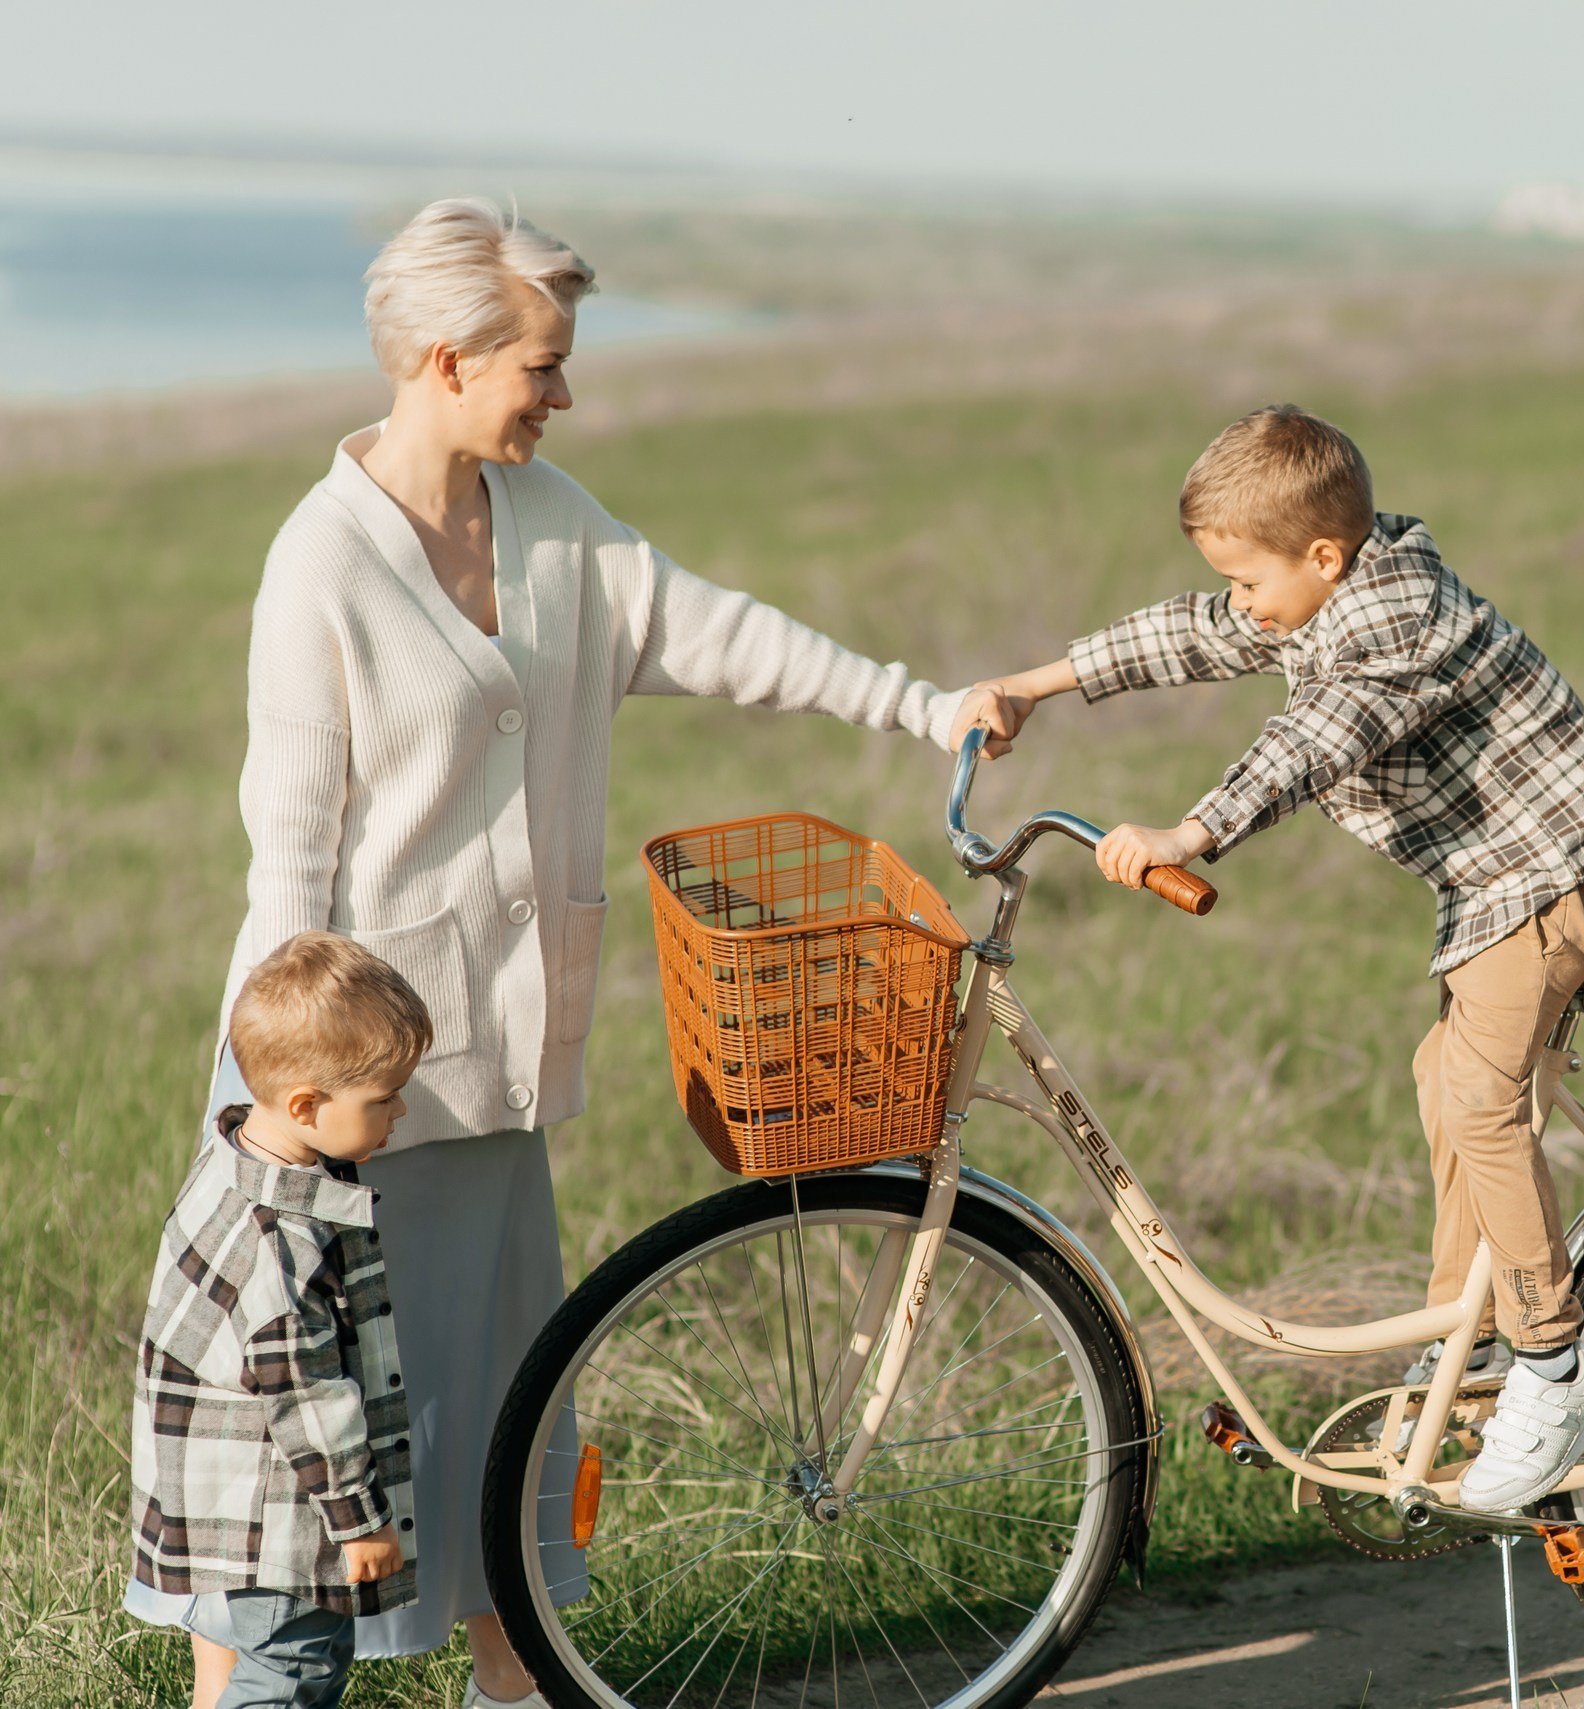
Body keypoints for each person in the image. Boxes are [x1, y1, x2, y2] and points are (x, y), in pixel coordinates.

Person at [125, 197, 1018, 1709]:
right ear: (446, 359)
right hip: (333, 1080)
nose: (564, 392)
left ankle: (515, 1682)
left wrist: (922, 705)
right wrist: (278, 1107)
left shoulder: (551, 522)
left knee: (500, 1400)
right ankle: (239, 1690)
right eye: (542, 364)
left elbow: (726, 634)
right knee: (290, 1408)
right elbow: (288, 854)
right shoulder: (322, 561)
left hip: (488, 1064)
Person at [983, 404, 1584, 1513]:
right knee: (1444, 1081)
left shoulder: (1394, 624)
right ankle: (1473, 1338)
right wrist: (1030, 685)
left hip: (1556, 878)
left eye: (1249, 580)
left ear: (1324, 556)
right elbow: (1188, 634)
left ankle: (1554, 1363)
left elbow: (1314, 739)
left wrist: (1190, 832)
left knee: (1480, 1097)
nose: (1240, 603)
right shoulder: (1324, 589)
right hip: (1497, 891)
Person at [131, 934, 433, 1709]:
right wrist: (361, 1521)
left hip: (239, 1499)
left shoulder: (234, 1160)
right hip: (280, 1516)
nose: (400, 1110)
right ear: (305, 1105)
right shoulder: (280, 1242)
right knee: (292, 1672)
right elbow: (307, 1397)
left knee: (291, 1662)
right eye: (384, 1097)